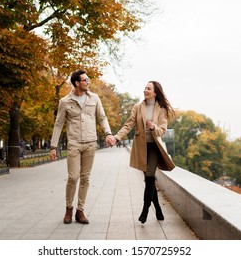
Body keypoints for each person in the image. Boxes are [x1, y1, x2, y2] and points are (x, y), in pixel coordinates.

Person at [49, 69, 116, 224]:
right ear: (77, 83)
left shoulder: (94, 98)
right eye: (85, 80)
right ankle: (68, 209)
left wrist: (108, 133)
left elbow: (102, 117)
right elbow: (58, 124)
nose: (88, 82)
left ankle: (80, 211)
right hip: (74, 143)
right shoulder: (65, 102)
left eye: (88, 79)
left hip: (90, 143)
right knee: (73, 177)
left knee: (85, 178)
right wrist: (53, 147)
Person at [113, 81, 176, 224]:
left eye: (148, 88)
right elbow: (128, 124)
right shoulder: (137, 107)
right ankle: (158, 208)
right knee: (149, 180)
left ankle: (145, 211)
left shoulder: (161, 109)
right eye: (145, 88)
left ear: (155, 92)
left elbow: (162, 131)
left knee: (149, 176)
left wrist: (154, 127)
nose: (145, 90)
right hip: (141, 148)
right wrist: (117, 137)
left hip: (154, 147)